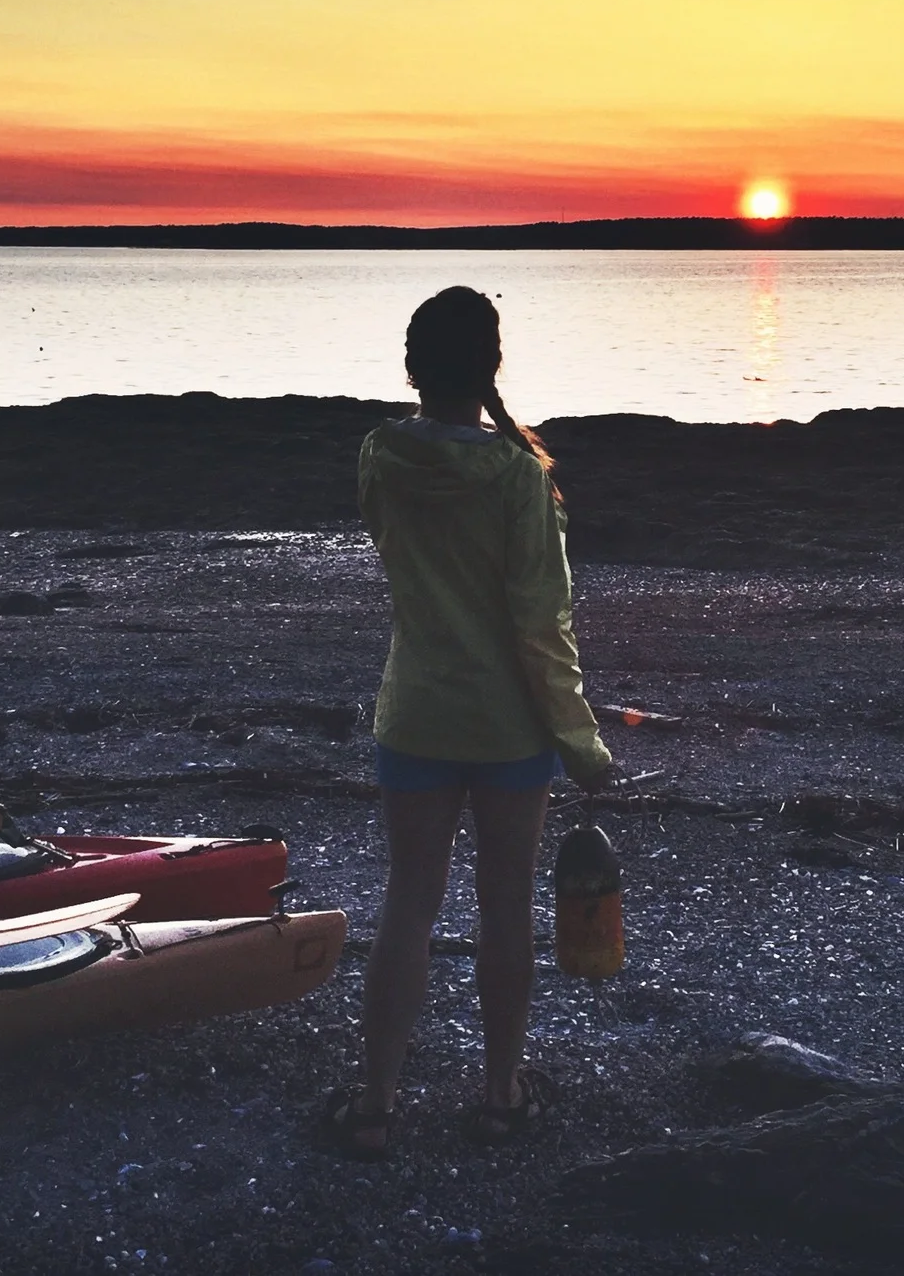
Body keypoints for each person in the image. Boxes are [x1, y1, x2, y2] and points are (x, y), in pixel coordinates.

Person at [321, 285, 616, 1159]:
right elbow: (541, 624)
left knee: (408, 904)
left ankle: (374, 1103)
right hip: (509, 728)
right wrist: (582, 741)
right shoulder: (518, 477)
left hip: (416, 712)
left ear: (413, 367)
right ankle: (500, 1092)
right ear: (491, 366)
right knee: (504, 907)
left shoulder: (380, 456)